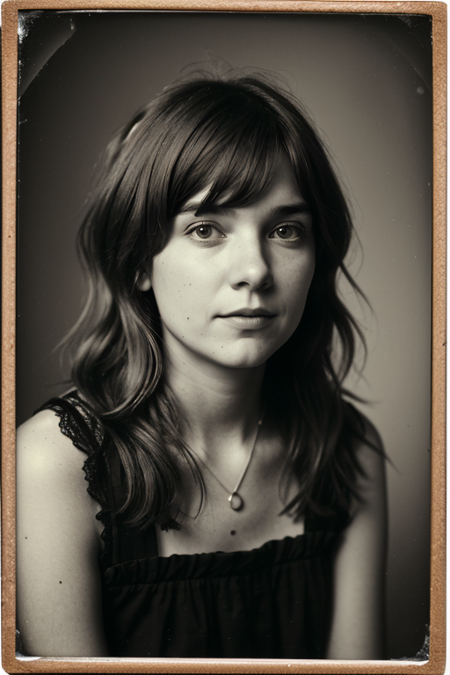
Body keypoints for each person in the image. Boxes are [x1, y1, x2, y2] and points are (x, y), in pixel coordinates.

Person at [16, 73, 387, 660]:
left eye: (287, 230)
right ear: (139, 260)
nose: (256, 271)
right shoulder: (51, 465)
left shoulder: (348, 450)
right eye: (206, 228)